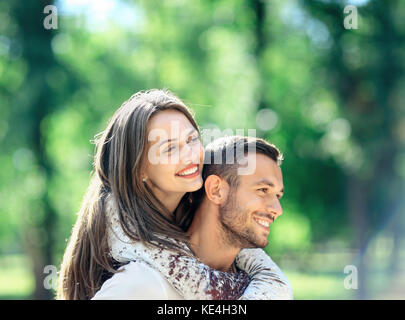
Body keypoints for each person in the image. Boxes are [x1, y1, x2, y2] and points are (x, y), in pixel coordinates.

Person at [56, 89, 290, 300]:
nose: (190, 155)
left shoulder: (200, 211)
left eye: (191, 140)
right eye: (170, 148)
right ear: (138, 170)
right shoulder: (139, 275)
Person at [92, 136, 293, 300]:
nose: (277, 209)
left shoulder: (263, 288)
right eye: (262, 190)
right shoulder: (144, 283)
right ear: (216, 190)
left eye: (277, 196)